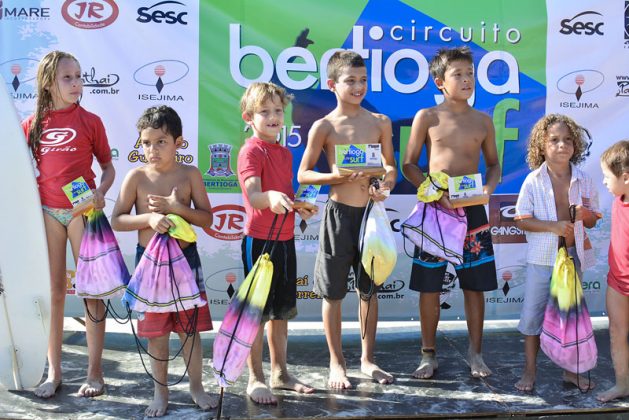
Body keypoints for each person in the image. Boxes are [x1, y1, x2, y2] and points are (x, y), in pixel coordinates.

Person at [297, 51, 397, 389]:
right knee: (334, 295)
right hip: (338, 217)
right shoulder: (324, 126)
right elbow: (304, 174)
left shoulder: (380, 122)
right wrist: (335, 176)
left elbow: (390, 168)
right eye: (350, 80)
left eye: (363, 80)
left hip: (371, 217)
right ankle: (336, 364)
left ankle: (368, 360)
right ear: (332, 84)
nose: (358, 86)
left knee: (369, 292)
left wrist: (385, 185)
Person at [402, 46, 500, 379]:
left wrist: (488, 190)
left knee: (475, 287)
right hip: (436, 214)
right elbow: (409, 164)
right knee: (430, 287)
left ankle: (476, 354)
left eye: (470, 74)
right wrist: (434, 190)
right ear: (440, 81)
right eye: (458, 74)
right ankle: (428, 354)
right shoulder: (427, 116)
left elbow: (494, 165)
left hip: (472, 212)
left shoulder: (484, 120)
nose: (466, 79)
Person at [111, 105, 216, 417]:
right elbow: (117, 220)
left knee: (189, 331)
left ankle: (196, 387)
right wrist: (149, 218)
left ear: (178, 142)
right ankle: (161, 393)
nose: (152, 149)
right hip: (150, 265)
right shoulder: (136, 177)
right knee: (156, 335)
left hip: (185, 261)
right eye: (146, 142)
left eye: (161, 142)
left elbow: (207, 219)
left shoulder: (190, 174)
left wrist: (176, 207)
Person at [21, 51, 115, 398]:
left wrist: (101, 192)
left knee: (92, 293)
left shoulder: (91, 121)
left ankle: (95, 374)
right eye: (67, 78)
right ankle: (54, 373)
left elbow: (108, 168)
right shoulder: (32, 125)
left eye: (79, 76)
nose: (76, 83)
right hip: (48, 214)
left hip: (82, 213)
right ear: (49, 83)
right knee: (55, 293)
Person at [237, 82, 317, 404]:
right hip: (258, 242)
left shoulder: (285, 153)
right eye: (264, 112)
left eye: (277, 111)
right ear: (249, 117)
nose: (273, 117)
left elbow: (285, 196)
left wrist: (301, 208)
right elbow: (255, 195)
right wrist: (268, 197)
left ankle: (280, 373)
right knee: (256, 314)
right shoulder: (250, 150)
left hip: (286, 240)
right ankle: (255, 378)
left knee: (280, 313)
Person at [513, 114, 600, 392]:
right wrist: (553, 226)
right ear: (541, 146)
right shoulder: (533, 181)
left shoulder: (584, 180)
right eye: (554, 140)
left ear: (575, 145)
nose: (561, 145)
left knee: (570, 317)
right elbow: (521, 219)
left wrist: (585, 216)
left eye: (567, 140)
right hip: (543, 260)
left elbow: (593, 220)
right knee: (533, 317)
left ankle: (570, 372)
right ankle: (530, 371)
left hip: (575, 259)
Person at [597, 140, 629, 402]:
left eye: (607, 176)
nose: (605, 182)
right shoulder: (618, 199)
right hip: (617, 283)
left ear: (625, 177)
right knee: (617, 333)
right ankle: (622, 384)